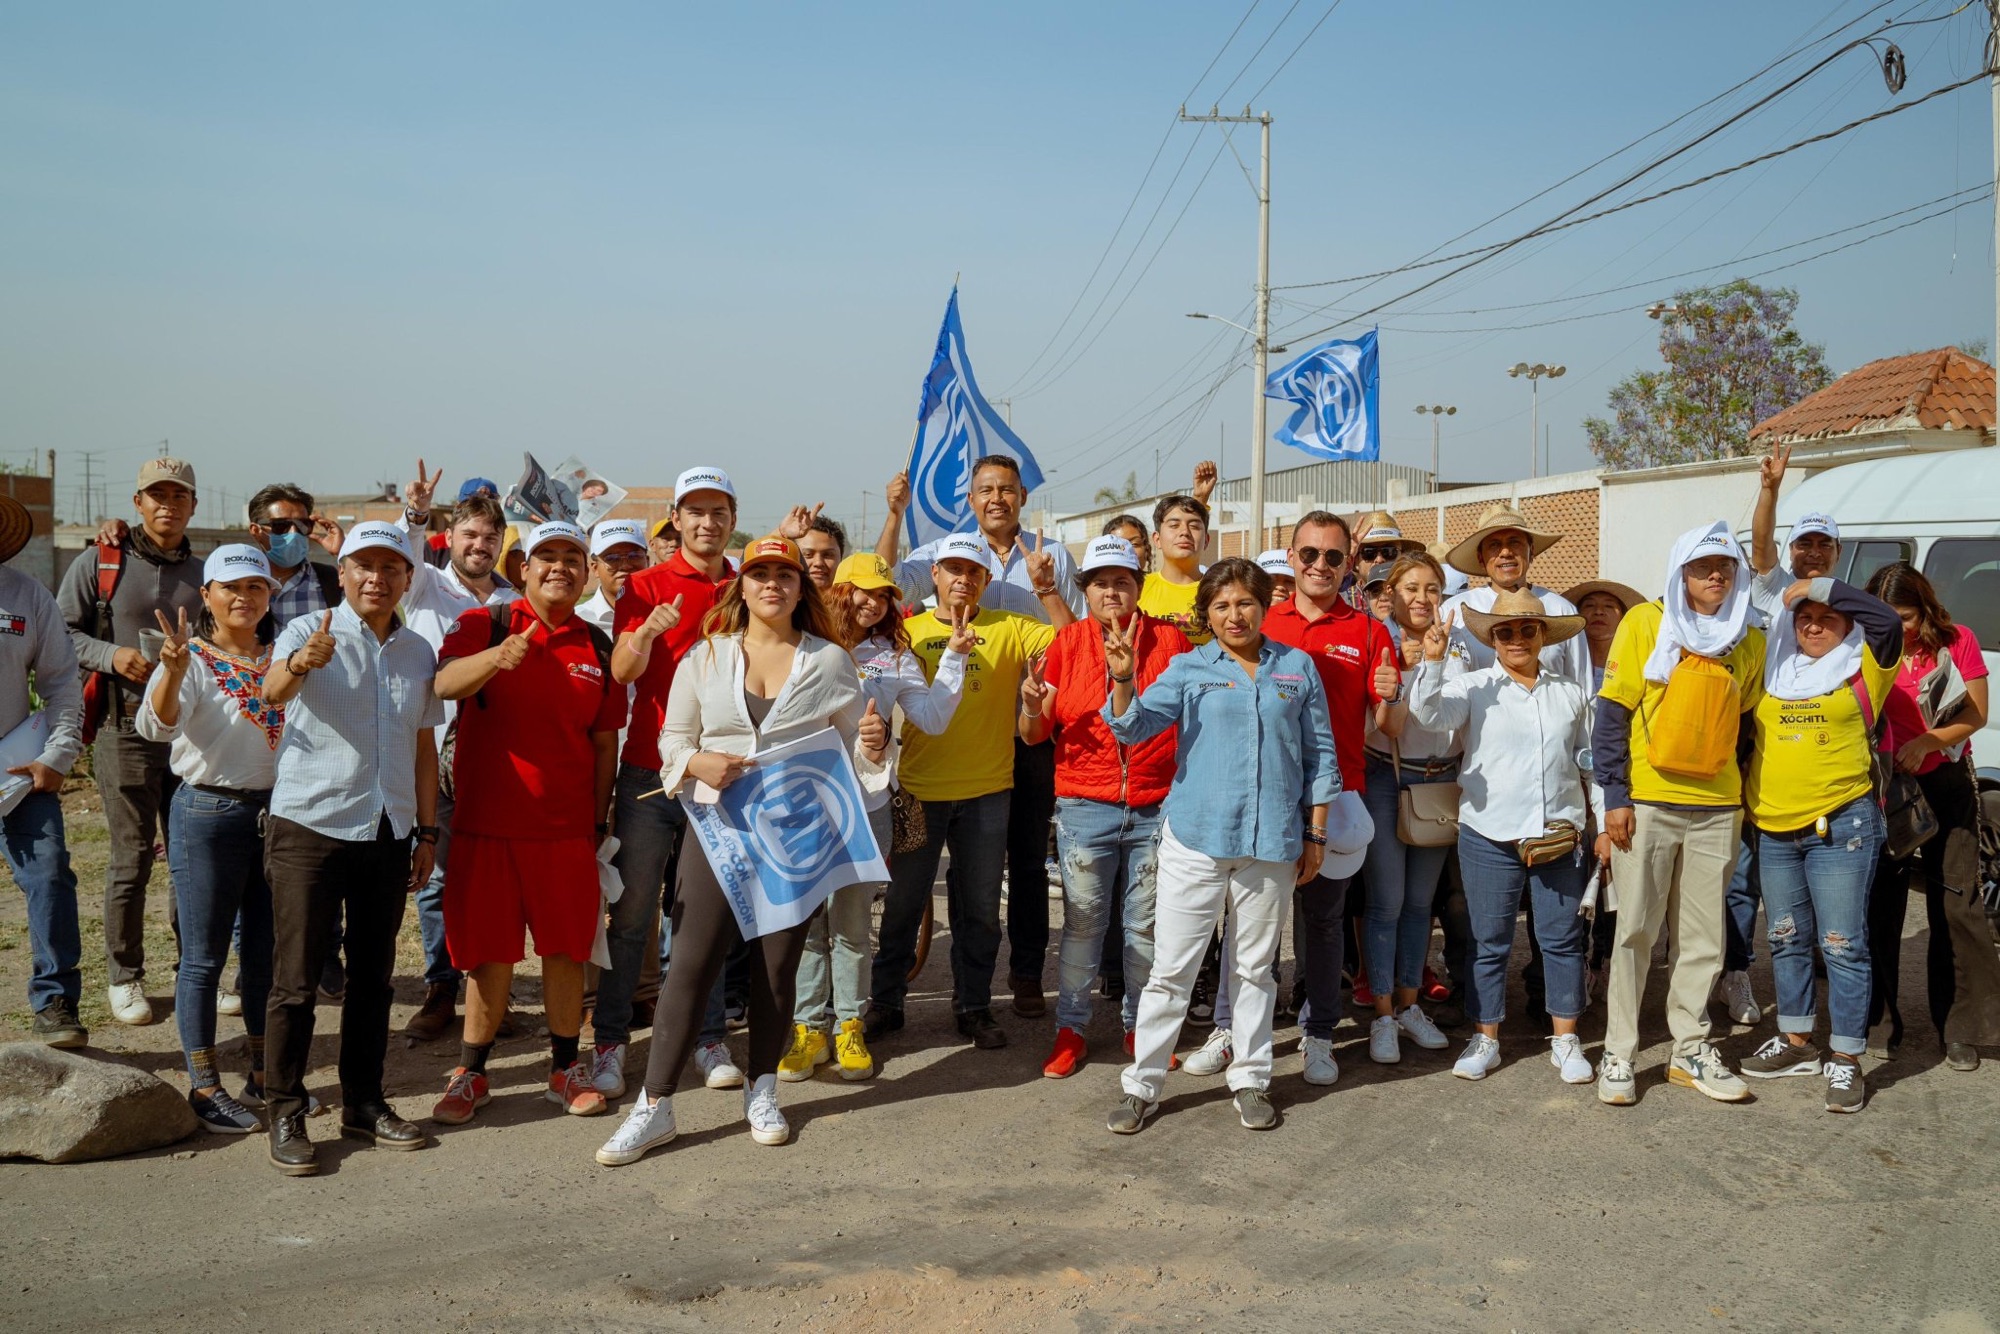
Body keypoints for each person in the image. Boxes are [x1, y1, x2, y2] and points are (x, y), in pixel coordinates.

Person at [594, 535, 890, 1166]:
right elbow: (673, 741)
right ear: (743, 585)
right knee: (691, 961)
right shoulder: (705, 657)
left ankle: (762, 1090)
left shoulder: (831, 663)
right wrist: (696, 760)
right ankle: (655, 1107)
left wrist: (874, 743)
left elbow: (856, 759)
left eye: (785, 574)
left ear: (800, 588)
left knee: (776, 967)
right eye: (760, 573)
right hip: (717, 826)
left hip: (798, 836)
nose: (772, 584)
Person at [1102, 558, 1348, 1134]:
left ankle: (1253, 1078)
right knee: (1172, 968)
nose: (1234, 615)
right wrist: (1122, 678)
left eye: (1244, 603)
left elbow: (1321, 756)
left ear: (1263, 605)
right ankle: (1143, 1084)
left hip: (1273, 841)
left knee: (1255, 969)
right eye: (1220, 606)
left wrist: (1315, 833)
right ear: (1205, 614)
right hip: (1197, 839)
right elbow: (1133, 727)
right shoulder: (1189, 669)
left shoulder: (1297, 667)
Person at [260, 522, 443, 1175]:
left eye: (391, 568)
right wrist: (299, 664)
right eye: (364, 565)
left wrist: (427, 831)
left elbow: (424, 748)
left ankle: (363, 1103)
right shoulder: (306, 631)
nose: (377, 577)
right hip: (310, 827)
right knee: (296, 980)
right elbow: (271, 693)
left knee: (374, 978)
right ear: (342, 573)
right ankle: (284, 1107)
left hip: (389, 830)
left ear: (406, 578)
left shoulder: (419, 650)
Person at [429, 521, 624, 1126]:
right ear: (522, 568)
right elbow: (441, 685)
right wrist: (496, 657)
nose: (559, 567)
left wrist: (597, 819)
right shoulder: (482, 625)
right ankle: (473, 1072)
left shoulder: (596, 645)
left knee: (566, 953)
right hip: (486, 827)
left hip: (565, 831)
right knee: (487, 957)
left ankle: (565, 1069)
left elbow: (603, 745)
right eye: (546, 557)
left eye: (572, 557)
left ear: (587, 569)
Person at [877, 456, 1077, 1015]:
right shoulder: (909, 627)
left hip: (1010, 759)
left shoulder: (1028, 597)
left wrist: (1046, 589)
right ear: (934, 574)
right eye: (986, 490)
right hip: (924, 777)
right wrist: (895, 514)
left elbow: (1071, 645)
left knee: (1001, 888)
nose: (962, 578)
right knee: (911, 896)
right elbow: (878, 586)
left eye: (1007, 490)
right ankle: (885, 1004)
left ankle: (995, 993)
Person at [781, 552, 971, 1082]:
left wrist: (953, 657)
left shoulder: (892, 653)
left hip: (866, 806)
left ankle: (848, 1025)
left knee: (851, 926)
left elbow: (931, 718)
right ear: (839, 591)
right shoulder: (802, 645)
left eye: (883, 593)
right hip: (804, 805)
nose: (873, 600)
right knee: (807, 924)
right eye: (863, 590)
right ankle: (806, 1026)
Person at [1594, 521, 1766, 1107]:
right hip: (1648, 804)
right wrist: (1615, 797)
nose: (1716, 574)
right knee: (1635, 932)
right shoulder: (1645, 623)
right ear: (1680, 571)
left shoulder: (1749, 638)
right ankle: (1619, 1051)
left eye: (1725, 565)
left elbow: (1744, 723)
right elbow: (1611, 715)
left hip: (1717, 807)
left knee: (1702, 940)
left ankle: (1688, 1049)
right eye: (1702, 565)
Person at [1021, 536, 1191, 1077]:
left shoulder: (1173, 642)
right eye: (1099, 582)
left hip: (1155, 805)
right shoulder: (1066, 644)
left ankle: (1139, 1027)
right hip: (1083, 808)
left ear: (1140, 585)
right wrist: (1029, 707)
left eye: (1122, 580)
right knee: (1084, 924)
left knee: (1144, 926)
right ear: (1084, 590)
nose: (1111, 591)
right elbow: (1033, 735)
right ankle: (1070, 1029)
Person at [1409, 591, 1595, 1084]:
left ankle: (1566, 1038)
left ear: (1541, 635)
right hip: (1488, 831)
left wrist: (1596, 821)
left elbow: (1589, 761)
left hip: (1558, 832)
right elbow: (1429, 716)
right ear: (1492, 638)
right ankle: (1486, 1038)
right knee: (1488, 942)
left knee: (1561, 940)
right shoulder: (1472, 687)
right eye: (1506, 631)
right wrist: (1431, 662)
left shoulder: (1571, 693)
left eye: (1526, 629)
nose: (1516, 638)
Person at [596, 468, 742, 1095]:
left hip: (718, 778)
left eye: (719, 511)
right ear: (676, 520)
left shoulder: (746, 585)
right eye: (695, 512)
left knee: (701, 918)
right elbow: (622, 671)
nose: (707, 523)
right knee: (631, 917)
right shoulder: (647, 586)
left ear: (732, 518)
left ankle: (706, 1039)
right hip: (651, 778)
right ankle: (607, 1044)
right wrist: (649, 629)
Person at [135, 545, 287, 1132]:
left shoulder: (281, 658)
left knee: (263, 955)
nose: (244, 598)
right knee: (202, 958)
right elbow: (158, 725)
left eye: (256, 587)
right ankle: (203, 1086)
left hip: (275, 818)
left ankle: (262, 1075)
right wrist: (170, 671)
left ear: (270, 596)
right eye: (231, 587)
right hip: (207, 813)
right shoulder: (190, 656)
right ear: (207, 596)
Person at [1738, 574, 1901, 1112]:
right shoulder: (1775, 668)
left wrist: (1823, 586)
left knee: (1841, 944)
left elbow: (1887, 620)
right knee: (1785, 937)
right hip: (1775, 828)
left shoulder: (1865, 667)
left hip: (1841, 826)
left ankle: (1847, 1059)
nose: (1812, 625)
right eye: (1804, 618)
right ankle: (1797, 1041)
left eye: (1826, 619)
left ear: (1846, 625)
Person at [57, 456, 206, 1026]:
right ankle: (124, 976)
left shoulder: (204, 571)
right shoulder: (102, 561)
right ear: (137, 502)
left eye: (180, 495)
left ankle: (194, 969)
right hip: (125, 731)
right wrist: (111, 654)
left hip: (189, 734)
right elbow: (60, 632)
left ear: (192, 505)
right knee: (131, 859)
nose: (168, 504)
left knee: (190, 859)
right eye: (157, 495)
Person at [1264, 510, 1395, 1086]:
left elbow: (1386, 726)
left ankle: (1319, 1034)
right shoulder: (1261, 622)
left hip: (1335, 796)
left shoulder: (1369, 630)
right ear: (1291, 558)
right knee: (1254, 924)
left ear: (1348, 564)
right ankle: (1234, 1030)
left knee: (1323, 925)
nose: (1320, 565)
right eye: (1310, 554)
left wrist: (1390, 697)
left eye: (1333, 556)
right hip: (1264, 794)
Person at [393, 464, 517, 1042]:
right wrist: (417, 512)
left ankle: (490, 994)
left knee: (492, 875)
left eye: (491, 538)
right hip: (430, 749)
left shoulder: (516, 600)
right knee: (437, 876)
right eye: (470, 535)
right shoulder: (424, 583)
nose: (480, 545)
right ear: (453, 536)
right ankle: (442, 986)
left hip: (495, 755)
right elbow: (406, 546)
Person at [1864, 562, 1997, 1071]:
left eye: (1905, 617)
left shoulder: (1956, 639)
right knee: (1880, 905)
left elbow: (1975, 713)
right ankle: (1879, 1020)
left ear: (1924, 609)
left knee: (1957, 905)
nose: (1896, 627)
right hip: (1886, 786)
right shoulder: (1864, 644)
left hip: (1945, 782)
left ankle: (1960, 1028)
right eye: (1885, 616)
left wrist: (1927, 741)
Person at [1356, 552, 1461, 1064]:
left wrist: (1439, 660)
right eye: (1411, 589)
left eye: (1433, 589)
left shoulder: (1459, 642)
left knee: (1421, 906)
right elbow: (1374, 726)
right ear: (1390, 594)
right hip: (1386, 778)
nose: (1422, 599)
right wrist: (1404, 666)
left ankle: (1409, 1006)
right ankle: (1380, 1016)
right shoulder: (1377, 642)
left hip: (1441, 784)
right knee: (1387, 902)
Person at [0, 495, 88, 1049]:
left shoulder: (26, 594)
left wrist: (56, 757)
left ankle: (54, 1001)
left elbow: (60, 681)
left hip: (17, 770)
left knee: (49, 872)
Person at [1564, 579, 1647, 994]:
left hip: (1620, 782)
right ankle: (1577, 961)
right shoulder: (1563, 666)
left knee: (1620, 873)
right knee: (1575, 874)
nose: (1597, 612)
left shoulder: (1641, 663)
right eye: (1589, 605)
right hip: (1572, 784)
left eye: (1608, 607)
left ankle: (1610, 958)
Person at [1440, 504, 1590, 686]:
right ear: (1481, 558)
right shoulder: (1455, 611)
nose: (1506, 553)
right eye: (1494, 545)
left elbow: (1582, 686)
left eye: (1514, 542)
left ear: (1531, 551)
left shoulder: (1561, 610)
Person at [1748, 443, 1841, 621]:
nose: (1814, 553)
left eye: (1824, 545)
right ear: (1790, 550)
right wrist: (1770, 489)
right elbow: (1761, 541)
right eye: (1805, 544)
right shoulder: (1774, 586)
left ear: (1839, 552)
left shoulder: (1844, 597)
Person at [1136, 494, 1212, 645]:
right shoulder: (1137, 588)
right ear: (1157, 539)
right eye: (1174, 525)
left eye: (1194, 526)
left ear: (1206, 540)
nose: (1184, 532)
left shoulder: (1221, 590)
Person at [576, 520, 649, 633]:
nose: (625, 566)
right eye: (612, 558)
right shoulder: (580, 620)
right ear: (595, 569)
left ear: (647, 562)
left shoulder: (668, 614)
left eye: (634, 556)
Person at [798, 513, 847, 593]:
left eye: (827, 555)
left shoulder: (858, 603)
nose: (818, 563)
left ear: (841, 560)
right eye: (808, 555)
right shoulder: (779, 603)